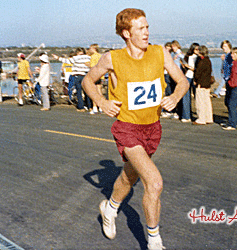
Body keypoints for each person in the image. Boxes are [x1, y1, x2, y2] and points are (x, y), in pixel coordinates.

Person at [81, 8, 189, 249]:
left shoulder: (160, 53)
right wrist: (102, 102)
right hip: (127, 127)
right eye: (141, 28)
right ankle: (154, 241)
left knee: (130, 175)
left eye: (147, 27)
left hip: (152, 127)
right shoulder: (113, 58)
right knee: (154, 182)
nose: (147, 32)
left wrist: (175, 96)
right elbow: (87, 80)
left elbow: (182, 81)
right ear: (127, 33)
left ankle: (109, 209)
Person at [53, 47, 91, 112]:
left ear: (77, 52)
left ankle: (81, 107)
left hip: (77, 75)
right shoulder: (88, 57)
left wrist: (57, 57)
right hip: (86, 76)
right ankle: (90, 106)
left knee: (79, 92)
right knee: (87, 92)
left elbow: (66, 61)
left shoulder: (76, 58)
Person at [222, 47, 237, 130]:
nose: (231, 55)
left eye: (233, 54)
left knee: (232, 104)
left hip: (236, 86)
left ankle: (232, 123)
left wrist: (231, 83)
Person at [192, 45, 214, 125]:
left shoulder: (201, 62)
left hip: (201, 84)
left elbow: (198, 73)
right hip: (207, 84)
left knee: (200, 101)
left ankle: (201, 118)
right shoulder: (208, 61)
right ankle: (208, 117)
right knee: (207, 101)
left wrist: (195, 80)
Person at [180, 42, 199, 122]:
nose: (198, 51)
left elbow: (199, 69)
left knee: (197, 97)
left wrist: (191, 68)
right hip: (187, 76)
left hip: (195, 78)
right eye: (196, 49)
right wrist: (184, 66)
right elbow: (183, 65)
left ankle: (200, 115)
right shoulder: (188, 57)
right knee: (186, 97)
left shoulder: (198, 58)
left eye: (198, 49)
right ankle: (186, 115)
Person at [169, 40, 185, 119]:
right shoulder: (175, 54)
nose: (173, 48)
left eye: (174, 47)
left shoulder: (179, 54)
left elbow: (184, 60)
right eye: (172, 47)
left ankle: (179, 112)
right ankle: (177, 111)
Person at [87, 43, 104, 114]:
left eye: (90, 48)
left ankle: (94, 107)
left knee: (94, 91)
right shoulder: (101, 56)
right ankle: (101, 106)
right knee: (99, 91)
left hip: (94, 75)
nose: (89, 50)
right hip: (100, 75)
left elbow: (92, 67)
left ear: (94, 49)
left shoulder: (93, 57)